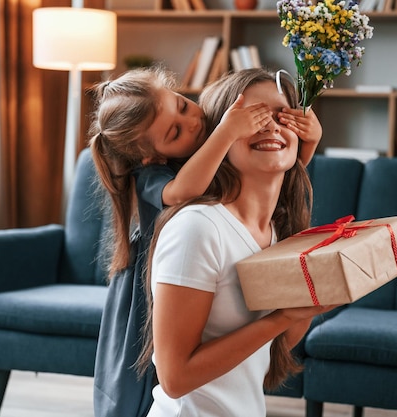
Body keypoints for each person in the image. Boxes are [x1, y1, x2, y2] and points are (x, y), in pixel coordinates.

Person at [89, 66, 322, 417]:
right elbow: (176, 377)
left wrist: (308, 304)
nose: (270, 125)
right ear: (224, 135)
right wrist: (283, 315)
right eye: (253, 117)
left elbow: (268, 347)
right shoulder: (191, 218)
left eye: (281, 115)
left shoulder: (271, 229)